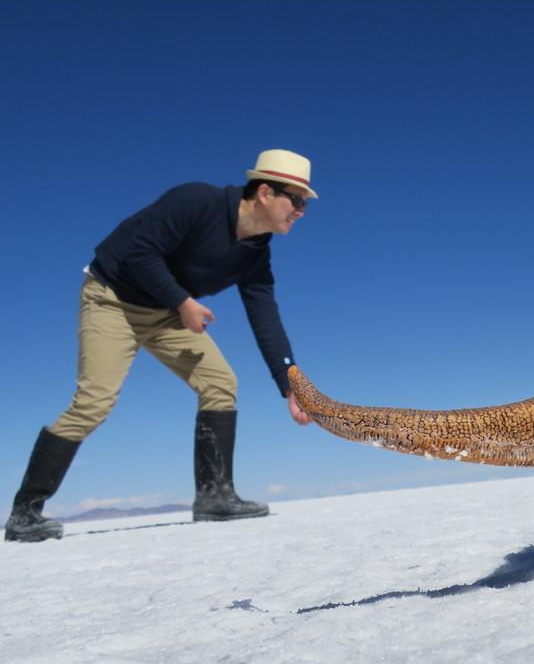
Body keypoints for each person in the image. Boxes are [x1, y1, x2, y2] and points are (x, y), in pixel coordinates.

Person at [5, 150, 317, 543]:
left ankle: (215, 497)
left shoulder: (256, 253)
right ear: (265, 192)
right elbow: (139, 252)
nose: (301, 211)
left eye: (305, 203)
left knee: (220, 382)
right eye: (297, 200)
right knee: (94, 401)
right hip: (113, 300)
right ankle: (25, 513)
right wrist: (182, 302)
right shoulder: (196, 201)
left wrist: (290, 383)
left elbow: (265, 316)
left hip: (167, 312)